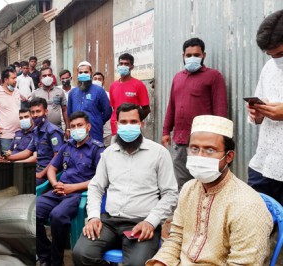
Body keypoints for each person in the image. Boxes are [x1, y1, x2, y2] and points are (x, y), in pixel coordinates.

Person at [146, 115, 273, 265]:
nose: (200, 156)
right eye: (194, 148)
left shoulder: (248, 206)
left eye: (210, 150)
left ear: (229, 156)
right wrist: (160, 262)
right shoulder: (189, 189)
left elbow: (243, 263)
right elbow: (176, 237)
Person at [73, 103, 178, 266]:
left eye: (133, 122)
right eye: (123, 122)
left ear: (141, 124)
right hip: (109, 222)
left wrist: (151, 221)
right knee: (82, 253)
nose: (128, 126)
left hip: (141, 223)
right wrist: (93, 216)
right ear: (116, 124)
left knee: (137, 263)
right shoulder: (108, 154)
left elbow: (171, 194)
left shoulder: (159, 153)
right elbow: (96, 187)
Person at [36, 111, 105, 266]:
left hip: (79, 194)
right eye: (72, 126)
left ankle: (56, 260)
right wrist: (54, 183)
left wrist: (72, 188)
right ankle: (44, 255)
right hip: (58, 190)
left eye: (79, 125)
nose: (75, 129)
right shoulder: (67, 147)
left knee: (57, 216)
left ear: (88, 127)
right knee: (32, 212)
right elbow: (52, 169)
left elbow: (100, 179)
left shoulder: (97, 149)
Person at [162, 37, 228, 190]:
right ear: (183, 56)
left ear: (203, 55)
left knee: (206, 181)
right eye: (189, 55)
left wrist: (219, 139)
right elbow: (172, 106)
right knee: (182, 183)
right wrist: (166, 131)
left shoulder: (213, 76)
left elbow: (220, 109)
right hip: (180, 140)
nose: (192, 58)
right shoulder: (178, 77)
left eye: (196, 55)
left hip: (204, 143)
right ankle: (186, 211)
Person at [246, 10, 283, 205]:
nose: (277, 60)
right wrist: (257, 114)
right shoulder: (269, 68)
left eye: (281, 54)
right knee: (256, 226)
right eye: (271, 55)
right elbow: (257, 113)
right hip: (264, 165)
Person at [5, 97, 64, 186]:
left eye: (38, 111)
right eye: (33, 112)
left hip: (48, 173)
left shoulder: (52, 132)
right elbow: (27, 152)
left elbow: (57, 158)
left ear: (46, 112)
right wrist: (9, 158)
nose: (35, 115)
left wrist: (41, 174)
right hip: (36, 169)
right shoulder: (36, 131)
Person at [109, 53, 150, 143]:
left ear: (132, 67)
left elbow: (146, 109)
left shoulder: (139, 85)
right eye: (121, 63)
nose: (123, 66)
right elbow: (114, 107)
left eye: (126, 64)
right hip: (116, 130)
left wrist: (134, 122)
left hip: (132, 131)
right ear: (118, 65)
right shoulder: (113, 86)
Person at [67, 61, 112, 143]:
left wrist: (97, 120)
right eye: (80, 72)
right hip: (77, 132)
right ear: (77, 74)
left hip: (94, 132)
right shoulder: (72, 93)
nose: (83, 74)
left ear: (91, 73)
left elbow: (107, 112)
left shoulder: (99, 91)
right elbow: (69, 113)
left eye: (86, 72)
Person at [31, 67, 70, 136]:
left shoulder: (60, 92)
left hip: (57, 129)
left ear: (52, 76)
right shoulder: (35, 93)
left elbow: (65, 110)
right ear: (40, 78)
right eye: (44, 76)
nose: (47, 77)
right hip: (40, 130)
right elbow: (31, 113)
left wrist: (67, 128)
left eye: (49, 75)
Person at [93, 72, 112, 147]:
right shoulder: (89, 95)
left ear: (103, 81)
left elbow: (109, 112)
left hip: (107, 132)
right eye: (95, 79)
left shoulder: (109, 95)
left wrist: (100, 121)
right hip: (94, 131)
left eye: (99, 79)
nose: (97, 80)